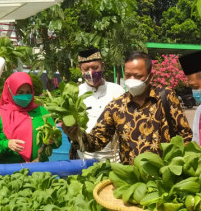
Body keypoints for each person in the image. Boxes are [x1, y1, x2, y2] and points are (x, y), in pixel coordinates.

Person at [63, 51, 193, 164]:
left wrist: (177, 164)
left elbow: (185, 135)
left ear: (150, 76)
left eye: (138, 76)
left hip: (164, 178)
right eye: (128, 75)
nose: (132, 80)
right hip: (131, 180)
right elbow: (96, 142)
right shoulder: (116, 106)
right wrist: (76, 135)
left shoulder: (166, 97)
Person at [0, 72, 61, 164]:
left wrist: (53, 140)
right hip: (10, 171)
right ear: (10, 91)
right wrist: (6, 144)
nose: (25, 96)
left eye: (28, 92)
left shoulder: (41, 111)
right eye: (20, 93)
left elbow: (58, 140)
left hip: (40, 169)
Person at [73, 48, 124, 162]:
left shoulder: (117, 91)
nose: (91, 72)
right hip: (84, 159)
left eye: (95, 68)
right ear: (80, 69)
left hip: (115, 158)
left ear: (103, 66)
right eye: (86, 69)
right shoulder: (76, 93)